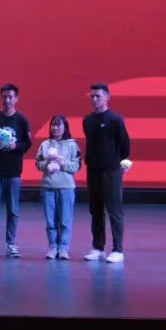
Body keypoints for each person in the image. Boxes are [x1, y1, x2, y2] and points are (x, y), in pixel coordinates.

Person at [0, 83, 33, 258]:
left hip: (13, 172)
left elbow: (27, 144)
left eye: (10, 97)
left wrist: (15, 146)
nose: (7, 100)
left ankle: (11, 244)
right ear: (1, 98)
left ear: (16, 99)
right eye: (4, 96)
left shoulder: (22, 120)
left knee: (13, 210)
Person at [83, 83, 131, 263]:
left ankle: (118, 250)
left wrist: (116, 163)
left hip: (111, 172)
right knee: (96, 210)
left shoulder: (115, 119)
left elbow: (125, 146)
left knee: (114, 210)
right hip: (93, 171)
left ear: (107, 97)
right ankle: (98, 247)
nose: (95, 99)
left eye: (98, 96)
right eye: (92, 96)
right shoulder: (88, 120)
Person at [35, 115, 82, 260]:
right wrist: (48, 162)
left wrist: (62, 163)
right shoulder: (45, 145)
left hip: (66, 187)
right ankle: (52, 247)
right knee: (51, 221)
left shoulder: (72, 145)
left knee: (65, 220)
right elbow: (38, 164)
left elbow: (76, 166)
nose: (55, 128)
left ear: (65, 127)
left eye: (58, 125)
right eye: (53, 125)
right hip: (48, 186)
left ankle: (63, 248)